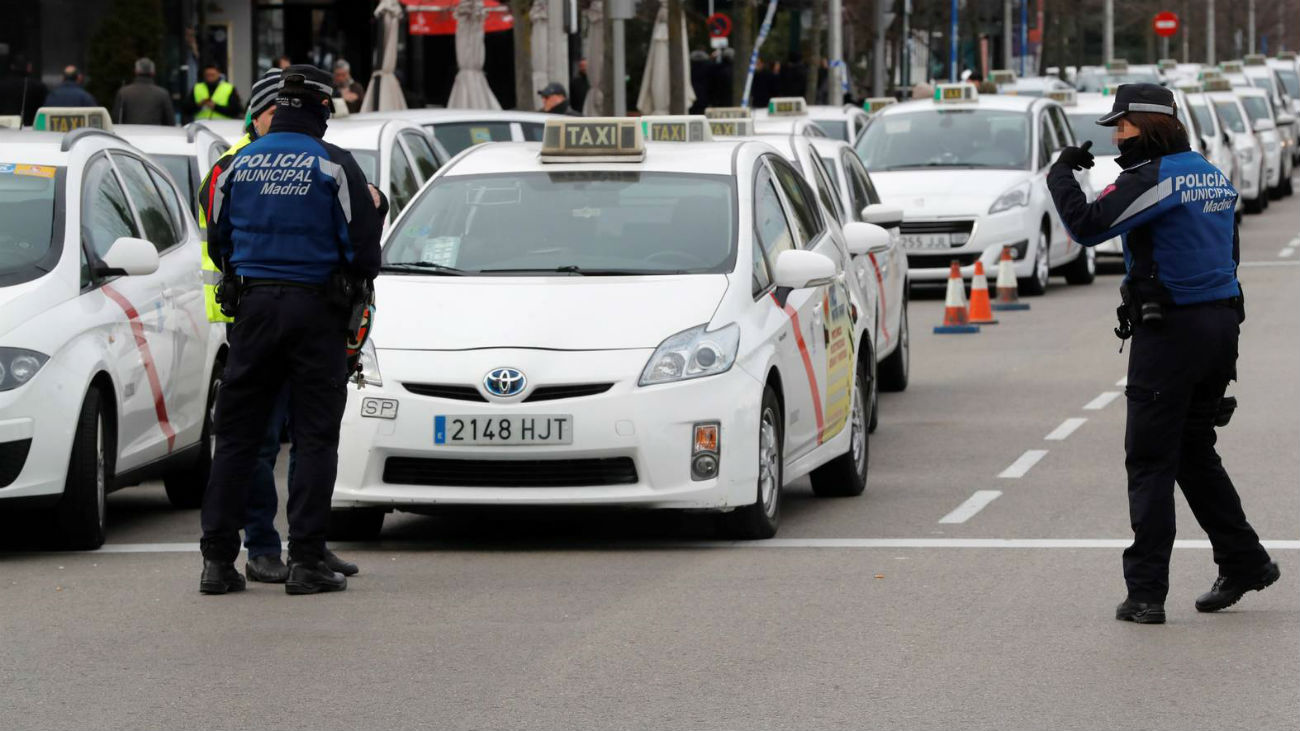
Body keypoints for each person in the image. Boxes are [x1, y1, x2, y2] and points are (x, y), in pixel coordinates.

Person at [1045, 83, 1279, 625]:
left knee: (1150, 460)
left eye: (1123, 126)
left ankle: (1146, 593)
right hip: (1220, 326)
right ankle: (1245, 561)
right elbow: (1229, 251)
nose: (1117, 137)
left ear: (1149, 124)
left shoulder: (1155, 178)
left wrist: (1061, 174)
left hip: (1172, 332)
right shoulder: (1209, 173)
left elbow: (1088, 226)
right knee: (1193, 451)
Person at [199, 65, 386, 596]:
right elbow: (364, 252)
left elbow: (218, 240)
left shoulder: (234, 165)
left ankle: (217, 563)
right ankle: (306, 561)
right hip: (316, 312)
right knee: (314, 436)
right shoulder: (335, 164)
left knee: (236, 438)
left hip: (252, 310)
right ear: (322, 109)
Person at [112, 58, 175, 125]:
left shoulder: (123, 93)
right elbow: (170, 122)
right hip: (154, 131)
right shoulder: (163, 94)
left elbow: (116, 120)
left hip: (129, 131)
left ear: (136, 71)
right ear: (153, 73)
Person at [0, 55, 48, 126]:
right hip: (30, 128)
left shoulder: (2, 84)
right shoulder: (38, 87)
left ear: (12, 66)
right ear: (29, 67)